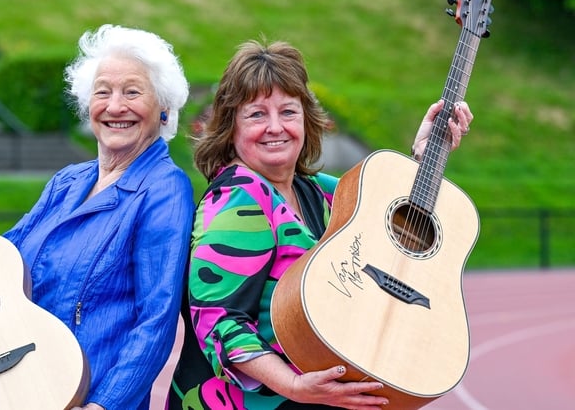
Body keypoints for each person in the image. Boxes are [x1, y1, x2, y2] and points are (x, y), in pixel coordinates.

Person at [0, 24, 195, 410]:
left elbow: (156, 320)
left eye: (132, 92)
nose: (115, 106)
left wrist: (103, 405)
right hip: (19, 387)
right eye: (103, 92)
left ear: (164, 108)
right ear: (87, 106)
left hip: (83, 395)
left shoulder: (165, 189)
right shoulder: (67, 182)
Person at [167, 40, 473, 409]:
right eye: (257, 115)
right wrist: (294, 386)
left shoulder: (315, 191)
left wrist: (425, 154)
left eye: (288, 112)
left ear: (307, 120)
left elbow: (380, 217)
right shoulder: (237, 200)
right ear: (230, 128)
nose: (275, 127)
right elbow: (218, 322)